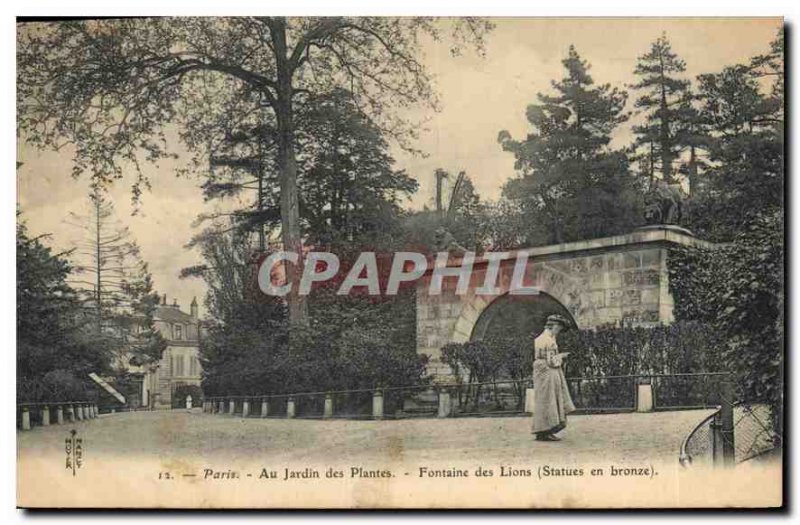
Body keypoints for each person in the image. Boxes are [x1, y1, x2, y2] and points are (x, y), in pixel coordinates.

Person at [532, 314, 576, 441]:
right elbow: (552, 362)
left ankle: (541, 430)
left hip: (539, 371)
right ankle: (547, 430)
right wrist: (562, 356)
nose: (558, 331)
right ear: (554, 326)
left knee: (542, 400)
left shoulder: (539, 339)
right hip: (549, 372)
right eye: (559, 329)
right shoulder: (550, 341)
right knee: (551, 400)